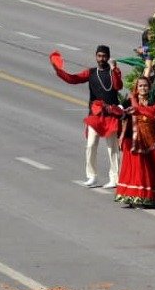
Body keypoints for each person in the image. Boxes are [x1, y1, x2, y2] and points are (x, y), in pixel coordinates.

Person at [50, 46, 124, 187]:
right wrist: (58, 71)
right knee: (90, 145)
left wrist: (114, 69)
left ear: (108, 57)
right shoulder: (91, 72)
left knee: (112, 148)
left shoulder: (114, 72)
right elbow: (73, 79)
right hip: (95, 115)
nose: (101, 59)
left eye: (104, 56)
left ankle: (114, 178)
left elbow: (118, 86)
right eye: (99, 56)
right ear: (96, 57)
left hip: (111, 115)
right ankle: (92, 176)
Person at [114, 76, 155, 208]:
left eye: (145, 86)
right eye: (141, 86)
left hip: (151, 140)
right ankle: (133, 196)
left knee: (150, 168)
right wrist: (112, 110)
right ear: (137, 87)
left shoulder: (154, 100)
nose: (143, 88)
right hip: (133, 139)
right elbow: (121, 112)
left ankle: (149, 197)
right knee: (135, 168)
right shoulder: (130, 100)